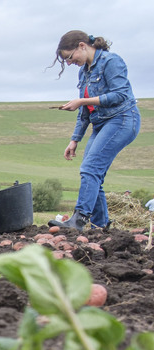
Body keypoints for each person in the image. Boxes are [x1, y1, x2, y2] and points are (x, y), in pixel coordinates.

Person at [48, 31, 142, 232]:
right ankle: (101, 225)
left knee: (90, 169)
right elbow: (84, 112)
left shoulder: (111, 61)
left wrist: (82, 100)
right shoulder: (85, 72)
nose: (71, 63)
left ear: (82, 45)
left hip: (122, 119)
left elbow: (119, 95)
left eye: (70, 57)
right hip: (101, 124)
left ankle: (79, 219)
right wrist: (75, 140)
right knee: (92, 174)